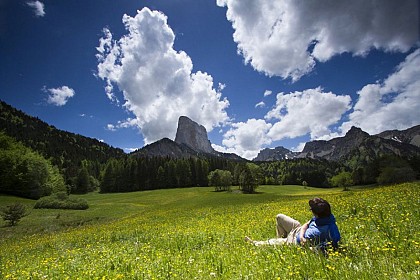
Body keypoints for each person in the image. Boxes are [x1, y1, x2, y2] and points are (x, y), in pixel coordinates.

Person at [245, 197, 340, 250]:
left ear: (318, 213)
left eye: (313, 211)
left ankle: (255, 243)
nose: (312, 212)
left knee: (271, 243)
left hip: (294, 241)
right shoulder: (323, 216)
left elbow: (330, 246)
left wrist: (306, 245)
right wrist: (302, 235)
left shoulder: (329, 231)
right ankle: (281, 240)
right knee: (279, 217)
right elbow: (306, 224)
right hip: (297, 229)